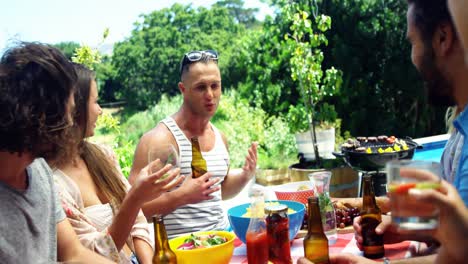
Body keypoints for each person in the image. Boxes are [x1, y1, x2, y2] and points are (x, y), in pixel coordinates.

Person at [47, 63, 184, 264]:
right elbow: (92, 255)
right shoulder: (53, 184)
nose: (100, 110)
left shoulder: (103, 155)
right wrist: (135, 198)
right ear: (73, 107)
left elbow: (137, 221)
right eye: (95, 102)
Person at [0, 42, 111, 263]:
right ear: (42, 116)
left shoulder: (37, 170)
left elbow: (74, 254)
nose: (71, 122)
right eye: (69, 112)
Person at [129, 50, 257, 238]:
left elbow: (219, 190)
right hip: (181, 251)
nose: (210, 95)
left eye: (215, 86)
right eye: (200, 87)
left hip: (222, 242)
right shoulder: (159, 140)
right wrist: (182, 196)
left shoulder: (220, 137)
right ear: (183, 89)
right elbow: (133, 209)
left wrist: (246, 175)